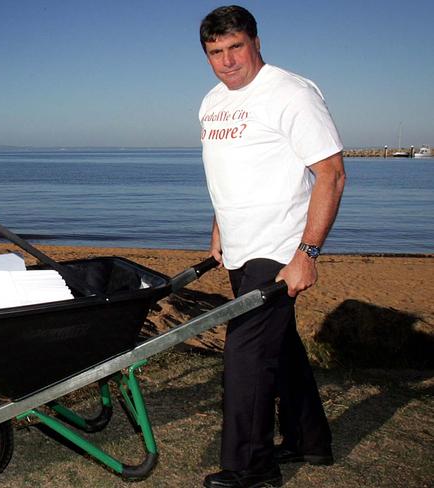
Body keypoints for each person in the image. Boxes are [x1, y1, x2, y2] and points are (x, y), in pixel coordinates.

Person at [198, 5, 346, 488]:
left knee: (244, 353)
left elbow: (331, 174)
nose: (227, 61)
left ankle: (251, 468)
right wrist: (219, 224)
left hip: (280, 249)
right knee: (278, 346)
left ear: (256, 42)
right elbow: (230, 172)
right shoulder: (210, 103)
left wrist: (308, 253)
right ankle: (310, 441)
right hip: (240, 247)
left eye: (235, 47)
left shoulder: (291, 93)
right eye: (215, 52)